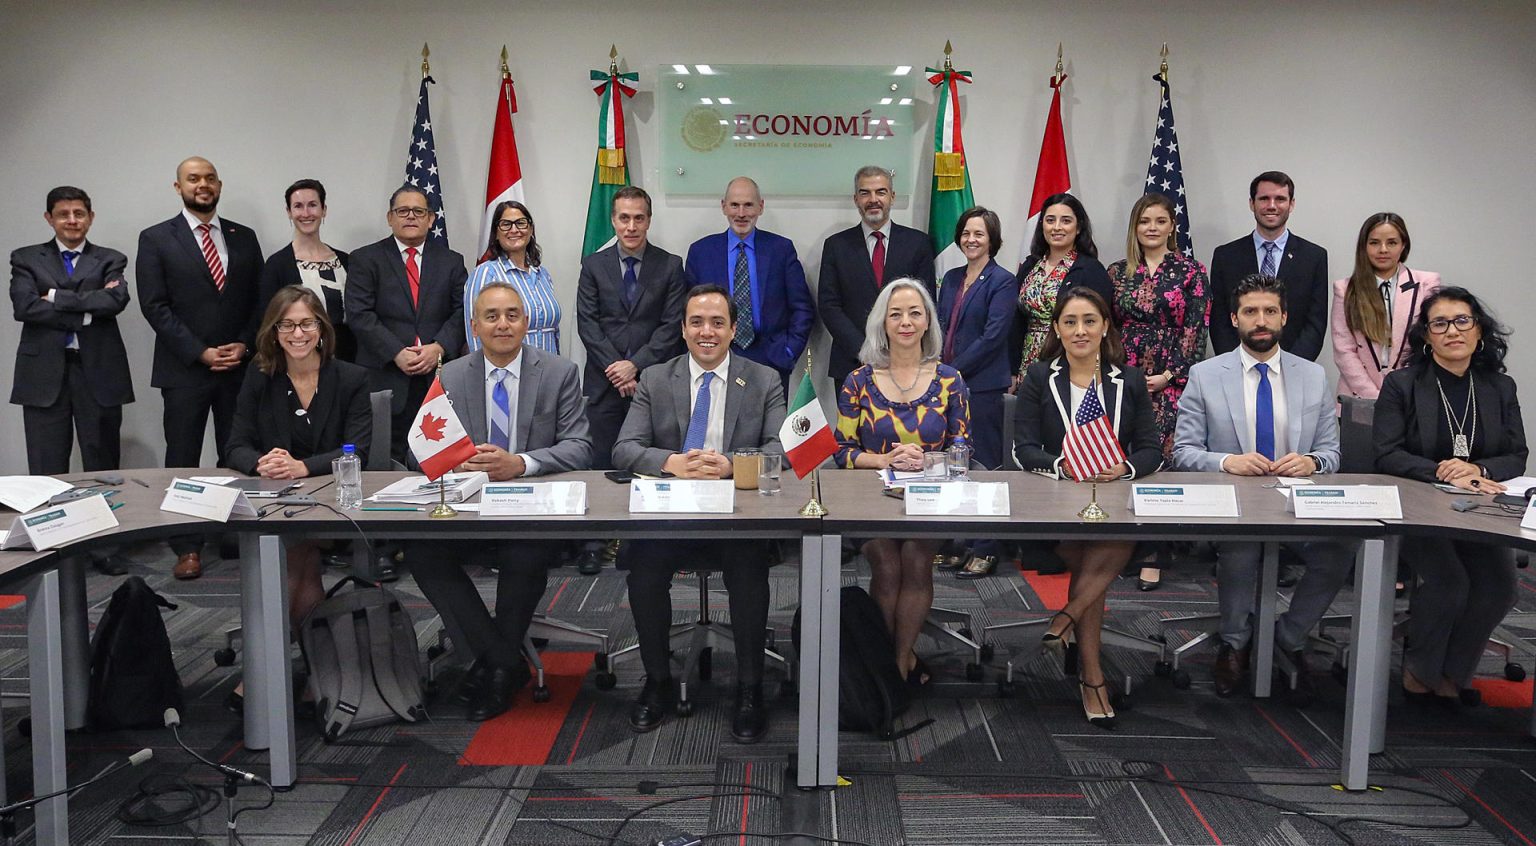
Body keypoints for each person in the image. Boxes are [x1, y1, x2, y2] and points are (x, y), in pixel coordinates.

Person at [611, 284, 787, 742]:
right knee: (644, 572)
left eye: (717, 323)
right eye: (696, 323)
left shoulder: (764, 379)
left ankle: (749, 688)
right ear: (683, 330)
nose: (706, 332)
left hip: (736, 515)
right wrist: (673, 463)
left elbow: (781, 448)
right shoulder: (654, 378)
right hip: (673, 512)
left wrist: (733, 464)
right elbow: (625, 449)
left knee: (749, 572)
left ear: (733, 331)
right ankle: (658, 681)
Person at [411, 281, 592, 721]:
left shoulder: (559, 372)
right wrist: (454, 464)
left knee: (523, 550)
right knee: (420, 549)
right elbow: (425, 447)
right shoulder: (450, 376)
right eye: (491, 316)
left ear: (526, 322)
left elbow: (580, 446)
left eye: (512, 314)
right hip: (468, 509)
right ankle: (505, 661)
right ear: (474, 325)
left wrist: (522, 464)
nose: (503, 324)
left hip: (532, 509)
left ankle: (493, 668)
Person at [1172, 274, 1351, 704]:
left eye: (1270, 311)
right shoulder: (1205, 374)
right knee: (1242, 547)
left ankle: (1287, 636)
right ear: (1234, 319)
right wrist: (1227, 461)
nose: (1261, 320)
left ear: (1284, 317)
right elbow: (1183, 451)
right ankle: (1235, 641)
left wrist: (1311, 462)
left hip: (1297, 504)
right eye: (1250, 311)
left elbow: (1332, 453)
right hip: (1235, 504)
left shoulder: (1312, 376)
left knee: (1339, 550)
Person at [1015, 287, 1163, 728]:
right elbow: (1022, 449)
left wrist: (1123, 468)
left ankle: (1068, 623)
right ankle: (1091, 674)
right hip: (1055, 503)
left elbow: (1152, 450)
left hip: (1113, 498)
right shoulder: (1039, 377)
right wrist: (1064, 466)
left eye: (1089, 321)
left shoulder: (1128, 379)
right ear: (1057, 329)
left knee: (1108, 540)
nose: (1080, 330)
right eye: (1070, 322)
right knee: (1098, 553)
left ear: (1104, 327)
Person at [1374, 287, 1527, 707]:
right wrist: (1443, 471)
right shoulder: (1402, 385)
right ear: (1426, 336)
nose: (1452, 331)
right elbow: (1386, 453)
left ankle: (1453, 673)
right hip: (1417, 505)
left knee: (1499, 586)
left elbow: (1517, 454)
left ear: (1479, 330)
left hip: (1479, 508)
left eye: (1463, 321)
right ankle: (1419, 672)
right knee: (1450, 581)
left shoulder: (1500, 386)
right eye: (1440, 323)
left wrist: (1479, 470)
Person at [222, 286, 371, 710]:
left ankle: (260, 673)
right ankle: (316, 673)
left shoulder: (352, 379)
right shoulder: (260, 376)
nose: (297, 333)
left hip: (337, 501)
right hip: (276, 500)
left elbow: (357, 449)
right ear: (274, 332)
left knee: (298, 557)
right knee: (301, 561)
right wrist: (262, 462)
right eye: (287, 325)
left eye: (307, 323)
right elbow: (234, 445)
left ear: (322, 329)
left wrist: (303, 467)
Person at [835, 278, 970, 687]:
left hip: (931, 498)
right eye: (896, 314)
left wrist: (927, 459)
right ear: (883, 323)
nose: (906, 321)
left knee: (915, 559)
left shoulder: (950, 380)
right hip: (872, 498)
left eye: (915, 313)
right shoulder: (857, 381)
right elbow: (841, 451)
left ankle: (897, 661)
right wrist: (885, 458)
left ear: (928, 321)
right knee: (887, 564)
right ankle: (889, 659)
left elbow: (963, 450)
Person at [137, 156, 263, 580]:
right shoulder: (155, 238)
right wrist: (201, 352)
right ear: (178, 188)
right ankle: (186, 544)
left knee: (238, 453)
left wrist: (244, 345)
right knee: (184, 458)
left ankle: (235, 537)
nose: (202, 185)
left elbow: (258, 301)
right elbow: (155, 306)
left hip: (239, 368)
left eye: (209, 178)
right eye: (193, 179)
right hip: (185, 369)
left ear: (219, 185)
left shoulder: (243, 237)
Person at [10, 186, 135, 575]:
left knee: (101, 462)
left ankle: (104, 548)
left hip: (97, 369)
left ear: (91, 217)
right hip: (43, 373)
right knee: (47, 466)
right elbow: (24, 306)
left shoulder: (111, 258)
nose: (72, 221)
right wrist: (86, 308)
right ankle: (52, 547)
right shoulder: (26, 258)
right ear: (49, 218)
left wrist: (55, 297)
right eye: (63, 214)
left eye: (79, 213)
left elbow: (116, 302)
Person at [575, 185, 688, 574]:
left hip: (653, 380)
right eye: (624, 217)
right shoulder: (593, 265)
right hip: (604, 382)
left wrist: (636, 366)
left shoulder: (671, 265)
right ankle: (595, 541)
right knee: (600, 461)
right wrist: (617, 369)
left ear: (649, 220)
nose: (631, 225)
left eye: (639, 217)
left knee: (651, 458)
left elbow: (672, 325)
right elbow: (587, 325)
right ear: (614, 220)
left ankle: (648, 536)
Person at [1108, 193, 1211, 591]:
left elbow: (1194, 330)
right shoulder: (1118, 272)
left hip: (1170, 380)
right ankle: (1120, 547)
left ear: (1172, 226)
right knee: (1121, 458)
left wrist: (1169, 374)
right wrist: (1122, 374)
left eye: (1159, 221)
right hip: (1123, 375)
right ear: (1135, 227)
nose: (1151, 227)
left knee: (1159, 465)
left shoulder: (1191, 271)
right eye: (1144, 221)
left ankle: (1154, 554)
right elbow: (1109, 327)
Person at [344, 185, 467, 465]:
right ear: (390, 217)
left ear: (431, 219)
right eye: (403, 211)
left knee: (439, 459)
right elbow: (358, 314)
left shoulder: (451, 261)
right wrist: (396, 352)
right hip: (384, 376)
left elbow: (463, 311)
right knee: (385, 461)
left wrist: (439, 347)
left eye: (418, 211)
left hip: (436, 377)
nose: (410, 217)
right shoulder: (364, 259)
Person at [935, 207, 1018, 579]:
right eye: (966, 232)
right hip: (947, 385)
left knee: (983, 466)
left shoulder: (1002, 281)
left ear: (992, 240)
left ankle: (986, 547)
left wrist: (951, 372)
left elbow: (993, 336)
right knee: (954, 466)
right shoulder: (951, 277)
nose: (971, 239)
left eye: (979, 234)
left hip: (981, 385)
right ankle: (960, 543)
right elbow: (938, 325)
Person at [685, 176, 814, 392]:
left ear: (761, 206)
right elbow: (688, 311)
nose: (741, 213)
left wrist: (789, 351)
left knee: (769, 426)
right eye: (734, 205)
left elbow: (802, 307)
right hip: (716, 357)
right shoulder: (701, 252)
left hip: (771, 360)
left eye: (748, 205)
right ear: (723, 206)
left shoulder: (781, 249)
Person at [818, 165, 936, 389]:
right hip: (851, 363)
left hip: (905, 362)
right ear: (856, 199)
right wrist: (865, 350)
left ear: (892, 196)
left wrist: (897, 349)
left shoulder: (917, 244)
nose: (873, 199)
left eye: (880, 192)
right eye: (865, 193)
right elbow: (829, 305)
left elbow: (926, 304)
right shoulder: (836, 245)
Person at [1209, 172, 1328, 360]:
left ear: (1292, 204)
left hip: (1293, 370)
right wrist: (1236, 364)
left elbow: (1315, 322)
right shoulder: (1226, 256)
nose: (1271, 206)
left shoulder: (1314, 257)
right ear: (1252, 203)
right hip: (1239, 369)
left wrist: (1291, 366)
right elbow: (1219, 321)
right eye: (1264, 198)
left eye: (1280, 199)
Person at [1331, 213, 1441, 400]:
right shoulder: (1345, 289)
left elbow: (1429, 342)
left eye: (1391, 243)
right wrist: (1374, 396)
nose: (1383, 250)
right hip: (1359, 397)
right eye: (1374, 243)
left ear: (1403, 245)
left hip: (1411, 394)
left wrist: (1400, 390)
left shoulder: (1426, 284)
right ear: (1363, 246)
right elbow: (1344, 350)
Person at [1009, 193, 1114, 379]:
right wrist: (1011, 370)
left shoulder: (1091, 269)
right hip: (1028, 365)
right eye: (1050, 220)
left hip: (1071, 364)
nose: (1057, 227)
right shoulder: (1030, 265)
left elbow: (1099, 326)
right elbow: (1015, 321)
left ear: (1079, 227)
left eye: (1066, 221)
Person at [259, 179, 353, 361]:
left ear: (324, 209)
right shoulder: (277, 264)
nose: (306, 213)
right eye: (298, 206)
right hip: (296, 362)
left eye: (312, 205)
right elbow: (268, 322)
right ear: (289, 212)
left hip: (346, 361)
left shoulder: (346, 261)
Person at [464, 201, 561, 357]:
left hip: (550, 370)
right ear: (496, 233)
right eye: (506, 224)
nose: (514, 230)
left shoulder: (543, 274)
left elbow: (554, 331)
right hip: (510, 370)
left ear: (531, 229)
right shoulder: (485, 273)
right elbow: (475, 334)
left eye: (521, 223)